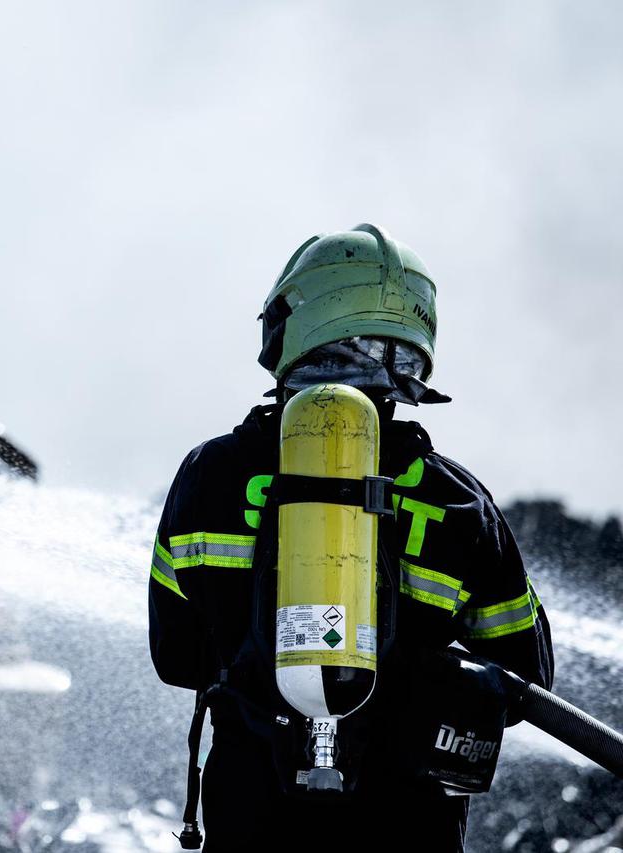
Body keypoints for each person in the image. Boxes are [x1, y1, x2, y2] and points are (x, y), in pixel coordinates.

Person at [148, 224, 554, 852]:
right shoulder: (455, 499)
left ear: (293, 326)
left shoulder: (211, 474)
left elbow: (176, 659)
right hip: (404, 822)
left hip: (253, 815)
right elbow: (526, 676)